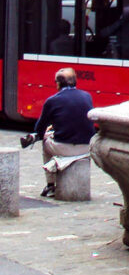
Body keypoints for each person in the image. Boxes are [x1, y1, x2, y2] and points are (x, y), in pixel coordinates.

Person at [20, 66, 95, 196]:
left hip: (65, 147)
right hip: (87, 147)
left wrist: (48, 129)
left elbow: (39, 128)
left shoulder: (53, 100)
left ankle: (50, 185)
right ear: (75, 81)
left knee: (45, 140)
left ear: (58, 83)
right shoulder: (87, 96)